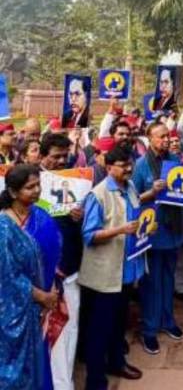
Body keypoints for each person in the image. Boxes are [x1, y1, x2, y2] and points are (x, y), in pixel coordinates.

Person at [79, 145, 146, 389]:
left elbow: (135, 217)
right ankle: (95, 380)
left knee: (119, 323)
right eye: (123, 165)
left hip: (126, 270)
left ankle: (117, 362)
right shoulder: (98, 194)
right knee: (100, 328)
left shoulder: (130, 187)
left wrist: (144, 229)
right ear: (108, 168)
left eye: (130, 164)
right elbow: (89, 235)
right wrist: (121, 229)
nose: (129, 168)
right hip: (105, 273)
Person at [0, 165, 60, 390]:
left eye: (38, 185)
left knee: (40, 363)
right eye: (29, 187)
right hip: (15, 312)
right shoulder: (4, 227)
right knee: (16, 373)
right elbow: (8, 277)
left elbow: (55, 254)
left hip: (42, 306)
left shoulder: (42, 216)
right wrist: (41, 296)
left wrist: (52, 291)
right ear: (14, 192)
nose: (37, 191)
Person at [132, 122, 183, 355]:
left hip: (173, 229)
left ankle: (168, 320)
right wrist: (151, 192)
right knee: (151, 282)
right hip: (152, 230)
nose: (165, 140)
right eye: (160, 137)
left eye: (167, 136)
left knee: (168, 278)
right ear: (149, 138)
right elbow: (133, 199)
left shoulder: (175, 160)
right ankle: (150, 329)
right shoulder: (141, 166)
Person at [39, 133, 83, 390]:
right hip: (41, 276)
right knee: (45, 334)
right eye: (55, 156)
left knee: (69, 329)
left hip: (69, 269)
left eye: (64, 156)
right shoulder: (29, 180)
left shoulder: (74, 180)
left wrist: (78, 216)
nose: (60, 161)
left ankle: (64, 383)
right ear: (43, 155)